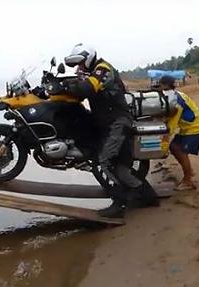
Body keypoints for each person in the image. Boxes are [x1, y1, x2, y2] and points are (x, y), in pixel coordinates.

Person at [64, 43, 159, 218]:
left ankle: (119, 205)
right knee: (122, 170)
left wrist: (64, 87)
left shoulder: (102, 69)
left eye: (81, 63)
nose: (79, 67)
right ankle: (149, 197)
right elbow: (83, 87)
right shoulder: (92, 71)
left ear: (89, 57)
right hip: (110, 123)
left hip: (118, 122)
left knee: (106, 161)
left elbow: (87, 88)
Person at [159, 75, 199, 191]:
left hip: (195, 128)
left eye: (160, 85)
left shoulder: (175, 101)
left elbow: (170, 127)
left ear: (164, 85)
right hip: (189, 127)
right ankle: (189, 172)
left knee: (178, 149)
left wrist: (162, 148)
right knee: (175, 147)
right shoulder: (175, 95)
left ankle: (188, 180)